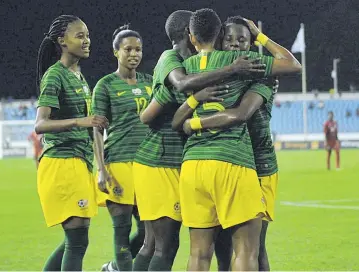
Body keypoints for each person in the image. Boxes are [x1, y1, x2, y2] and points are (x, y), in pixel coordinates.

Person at [132, 10, 270, 271]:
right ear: (191, 35)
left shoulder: (197, 63)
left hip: (188, 162)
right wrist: (233, 68)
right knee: (162, 245)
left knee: (190, 247)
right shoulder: (172, 59)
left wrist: (193, 111)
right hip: (165, 160)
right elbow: (151, 112)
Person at [172, 9, 301, 271]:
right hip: (235, 161)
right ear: (220, 37)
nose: (235, 45)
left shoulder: (188, 69)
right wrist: (258, 39)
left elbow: (178, 118)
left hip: (226, 164)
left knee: (205, 252)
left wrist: (193, 122)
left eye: (243, 40)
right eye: (230, 39)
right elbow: (292, 64)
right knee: (246, 250)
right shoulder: (243, 63)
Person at [35, 15, 109, 271]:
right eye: (79, 36)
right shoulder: (55, 76)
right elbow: (40, 124)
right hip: (61, 162)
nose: (87, 41)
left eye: (87, 35)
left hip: (79, 162)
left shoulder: (77, 75)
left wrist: (101, 167)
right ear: (61, 42)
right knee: (77, 240)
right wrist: (81, 121)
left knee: (75, 241)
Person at [92, 25, 153, 272]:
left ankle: (113, 268)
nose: (134, 54)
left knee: (153, 234)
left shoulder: (151, 81)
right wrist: (101, 169)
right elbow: (96, 129)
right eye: (128, 49)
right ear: (116, 52)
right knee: (122, 232)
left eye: (138, 49)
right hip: (119, 163)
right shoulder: (105, 85)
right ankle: (119, 267)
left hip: (148, 165)